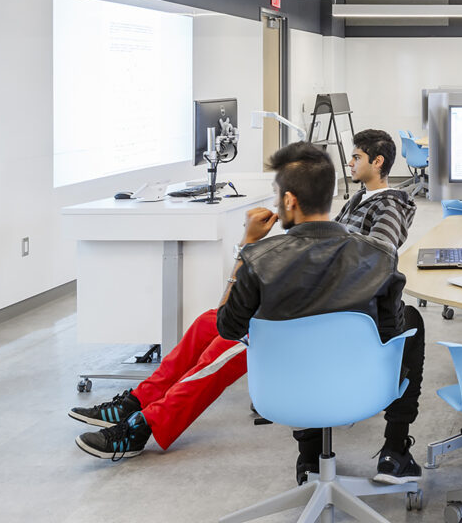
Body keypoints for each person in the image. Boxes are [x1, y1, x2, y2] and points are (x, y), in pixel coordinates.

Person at [71, 133, 420, 481]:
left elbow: (231, 324)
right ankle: (137, 400)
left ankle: (144, 425)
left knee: (226, 344)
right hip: (326, 293)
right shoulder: (356, 218)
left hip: (324, 321)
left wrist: (252, 245)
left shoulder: (268, 255)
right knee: (206, 324)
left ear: (289, 201)